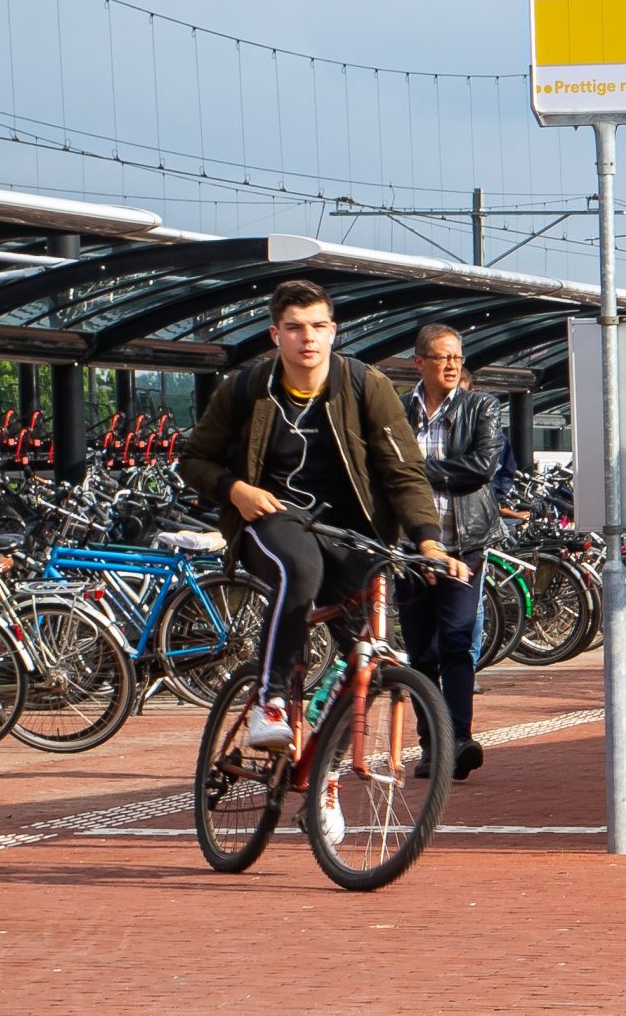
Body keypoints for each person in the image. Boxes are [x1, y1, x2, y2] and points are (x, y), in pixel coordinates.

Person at [177, 279, 468, 755]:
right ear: (276, 335)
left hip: (351, 530)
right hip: (273, 520)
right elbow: (194, 460)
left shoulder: (364, 385)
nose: (306, 338)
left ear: (333, 331)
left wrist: (428, 540)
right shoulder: (248, 388)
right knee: (300, 568)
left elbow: (404, 470)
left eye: (316, 327)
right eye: (293, 328)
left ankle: (324, 777)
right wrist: (236, 490)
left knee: (366, 659)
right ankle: (269, 699)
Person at [398, 323, 505, 777]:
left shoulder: (482, 406)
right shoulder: (399, 410)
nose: (451, 365)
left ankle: (459, 739)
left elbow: (480, 468)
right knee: (420, 651)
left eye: (457, 358)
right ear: (419, 362)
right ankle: (431, 745)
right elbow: (382, 469)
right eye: (441, 357)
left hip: (465, 544)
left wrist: (415, 471)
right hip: (409, 549)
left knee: (457, 642)